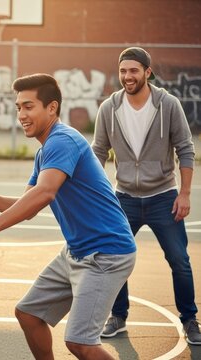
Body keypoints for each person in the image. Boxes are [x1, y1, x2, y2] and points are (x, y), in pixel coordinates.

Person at [0, 73, 137, 359]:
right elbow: (30, 205)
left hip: (105, 254)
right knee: (29, 314)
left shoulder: (62, 141)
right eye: (18, 108)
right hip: (77, 251)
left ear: (51, 108)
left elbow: (45, 193)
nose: (21, 115)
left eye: (28, 106)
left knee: (80, 343)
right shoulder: (46, 151)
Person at [92, 46, 201, 345]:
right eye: (123, 71)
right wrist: (98, 194)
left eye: (134, 71)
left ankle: (190, 320)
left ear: (147, 72)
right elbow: (98, 152)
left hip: (164, 197)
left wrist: (185, 193)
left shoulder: (168, 104)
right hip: (123, 198)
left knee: (179, 260)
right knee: (115, 257)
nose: (128, 76)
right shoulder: (109, 108)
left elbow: (186, 148)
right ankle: (118, 316)